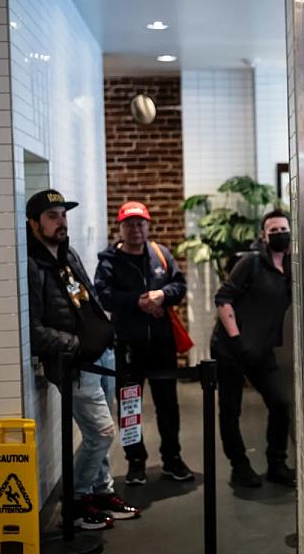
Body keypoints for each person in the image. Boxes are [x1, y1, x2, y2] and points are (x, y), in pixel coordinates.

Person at [26, 189, 140, 530]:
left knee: (103, 432)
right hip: (75, 364)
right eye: (52, 216)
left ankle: (100, 493)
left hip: (101, 355)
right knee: (101, 433)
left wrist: (104, 333)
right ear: (33, 223)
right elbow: (32, 329)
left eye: (63, 214)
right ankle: (75, 501)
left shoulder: (67, 253)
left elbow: (86, 300)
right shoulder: (32, 265)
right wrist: (76, 345)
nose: (61, 221)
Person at [94, 201, 193, 485]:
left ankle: (172, 459)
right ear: (120, 227)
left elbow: (179, 286)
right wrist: (137, 302)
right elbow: (103, 295)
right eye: (129, 224)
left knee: (168, 405)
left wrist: (161, 295)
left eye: (140, 224)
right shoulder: (109, 261)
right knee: (129, 406)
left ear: (148, 226)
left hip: (162, 344)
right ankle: (135, 462)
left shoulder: (161, 254)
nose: (135, 229)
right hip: (128, 344)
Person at [211, 210, 295, 488]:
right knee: (231, 410)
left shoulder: (291, 269)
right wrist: (236, 340)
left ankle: (276, 463)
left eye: (284, 229)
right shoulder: (251, 262)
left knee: (280, 404)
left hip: (262, 349)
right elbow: (223, 298)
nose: (280, 234)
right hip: (230, 348)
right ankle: (240, 466)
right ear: (263, 235)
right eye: (274, 231)